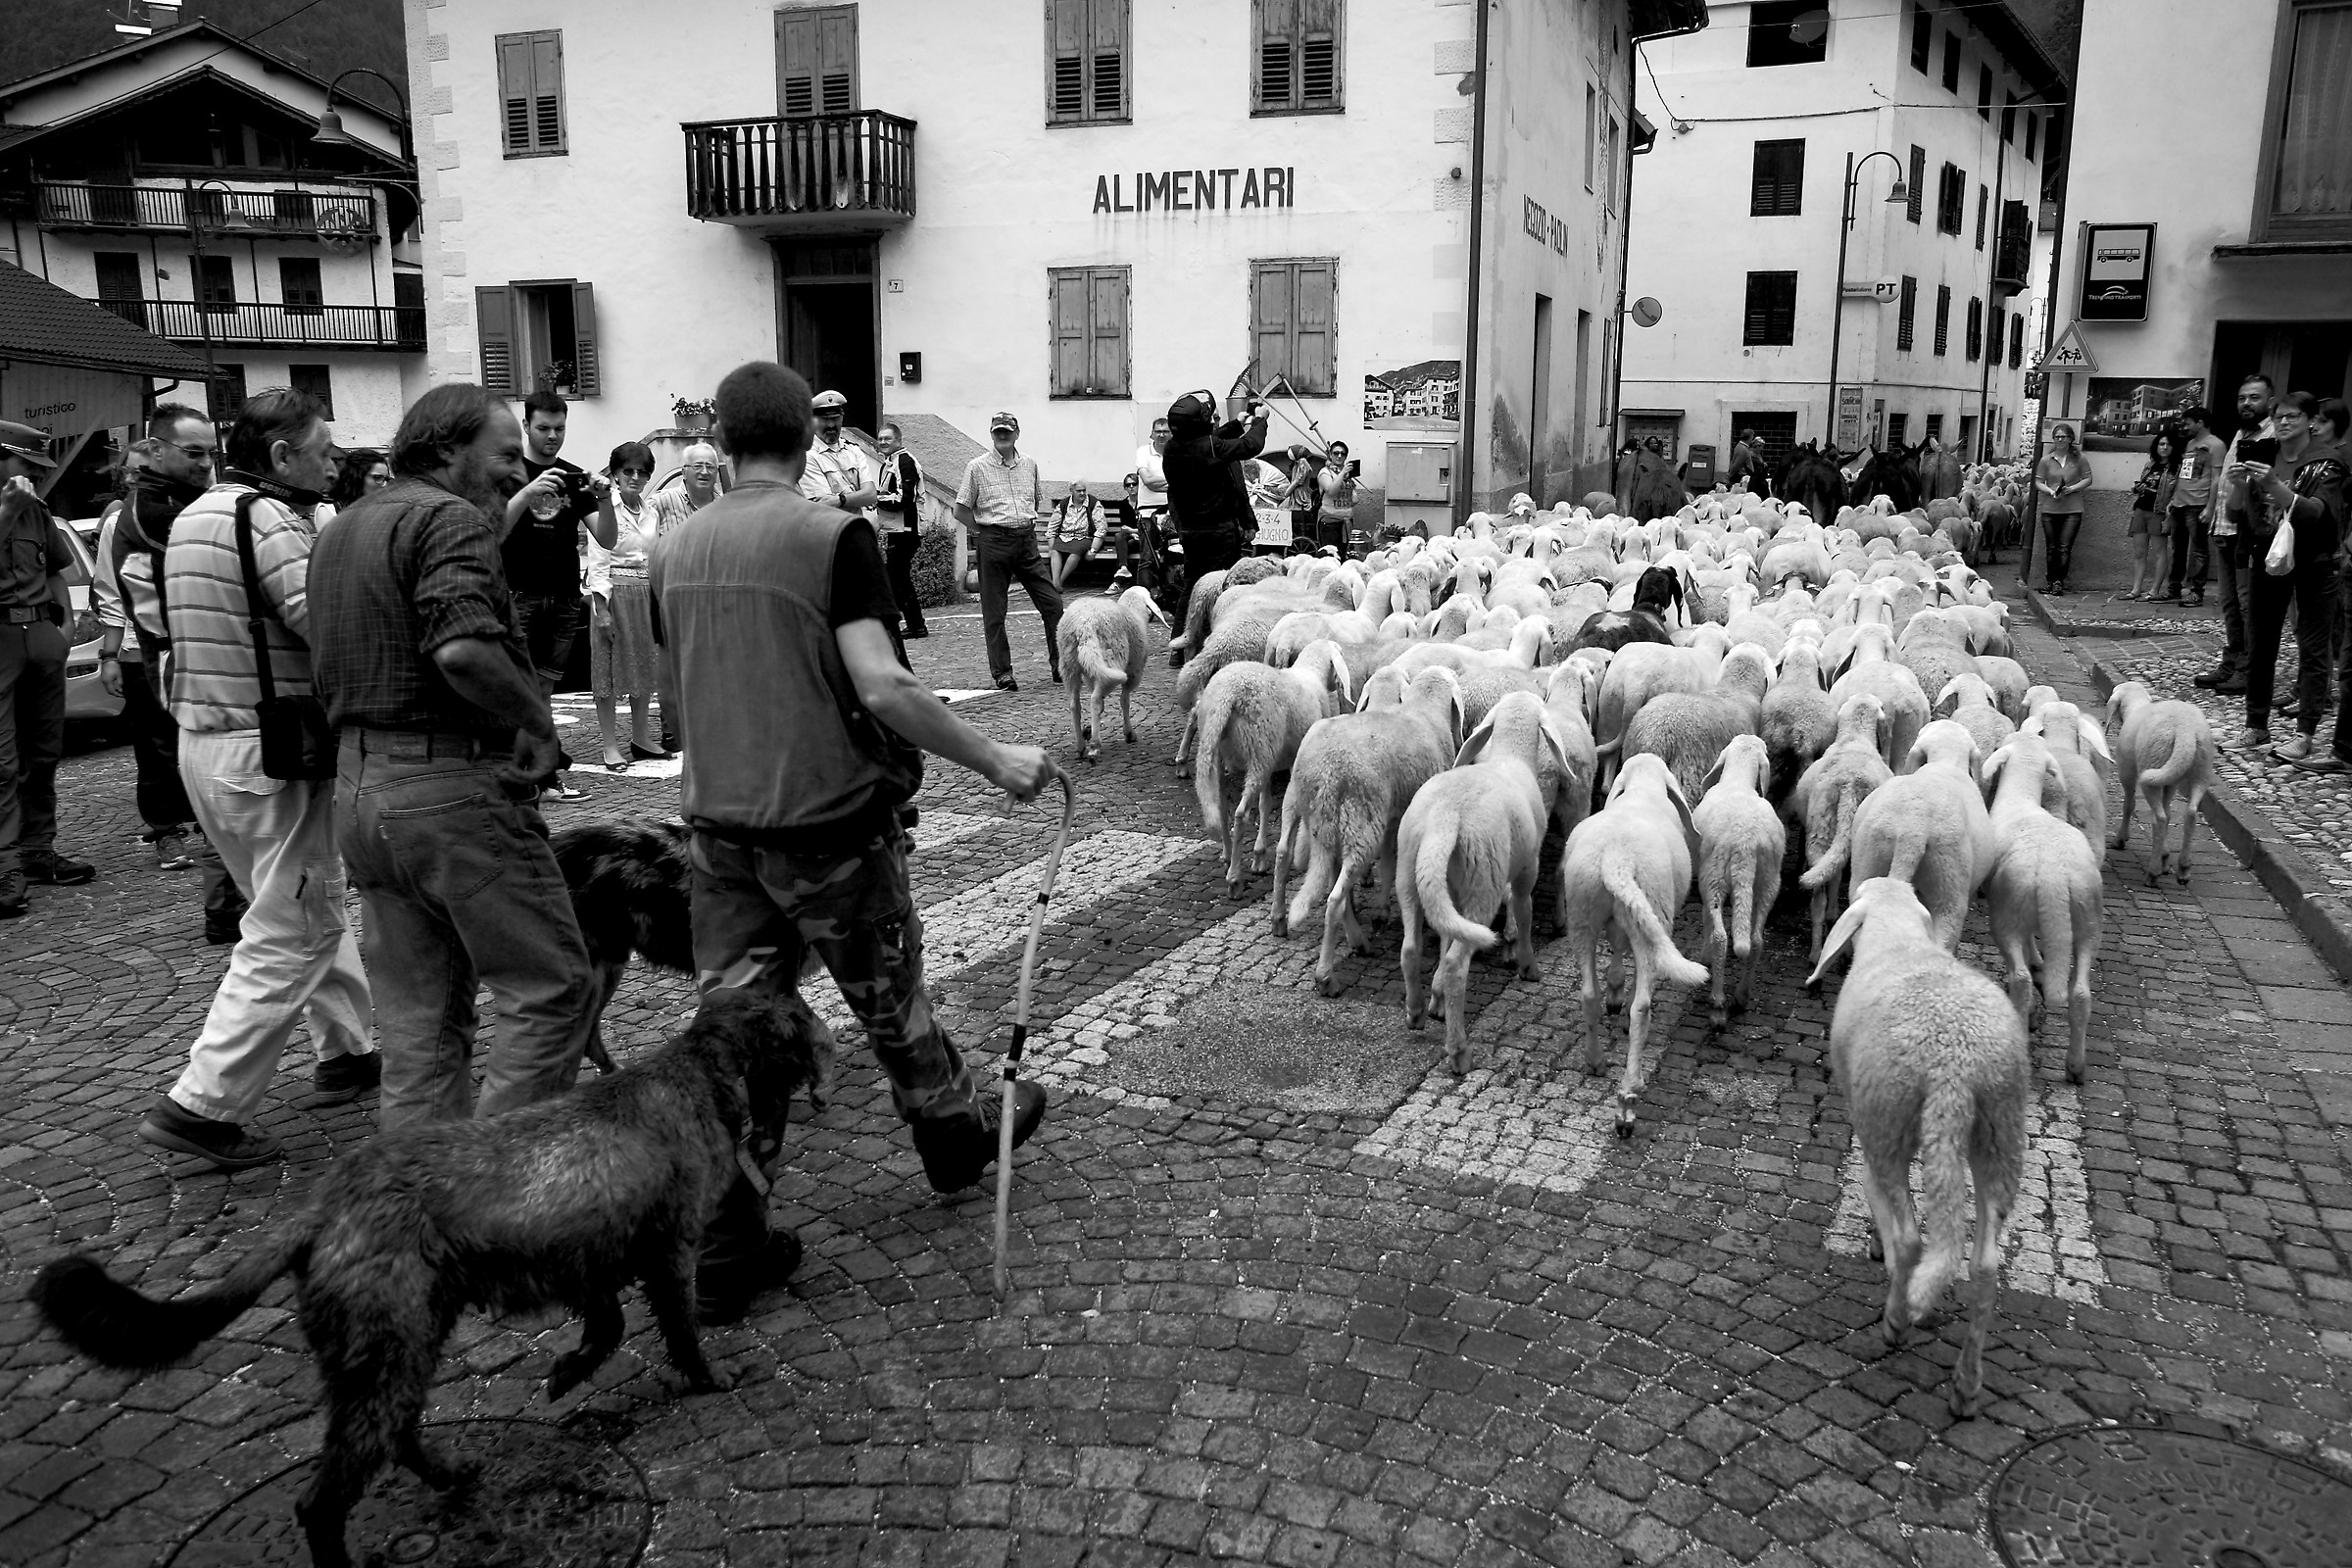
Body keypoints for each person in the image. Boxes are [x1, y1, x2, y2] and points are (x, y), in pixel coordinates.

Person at [650, 361, 1057, 1320]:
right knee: (888, 993)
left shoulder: (676, 548)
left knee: (739, 1033)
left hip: (717, 833)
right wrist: (994, 758)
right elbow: (881, 685)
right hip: (827, 827)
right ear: (808, 437)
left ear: (723, 433)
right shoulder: (832, 537)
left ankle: (722, 1247)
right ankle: (952, 1132)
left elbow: (680, 701)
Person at [310, 384, 600, 1128]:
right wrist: (538, 721)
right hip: (448, 790)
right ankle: (493, 1192)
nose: (516, 470)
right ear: (446, 449)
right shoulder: (449, 518)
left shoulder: (342, 529)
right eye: (504, 454)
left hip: (360, 791)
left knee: (418, 1023)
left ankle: (420, 1203)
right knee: (553, 989)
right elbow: (464, 646)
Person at [137, 387, 379, 1170]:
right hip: (267, 751)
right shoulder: (268, 519)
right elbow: (327, 627)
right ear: (280, 456)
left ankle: (348, 1049)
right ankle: (201, 1106)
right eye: (323, 449)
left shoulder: (197, 516)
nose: (335, 460)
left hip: (206, 743)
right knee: (293, 925)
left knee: (297, 901)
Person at [92, 426, 247, 942]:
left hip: (195, 654)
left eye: (211, 453)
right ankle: (221, 901)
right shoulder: (147, 512)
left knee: (213, 772)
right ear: (155, 455)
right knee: (189, 764)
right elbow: (117, 588)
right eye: (193, 453)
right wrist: (111, 652)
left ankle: (230, 900)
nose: (205, 463)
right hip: (174, 657)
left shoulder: (189, 502)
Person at [503, 388, 618, 804]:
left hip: (565, 597)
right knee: (520, 691)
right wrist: (528, 494)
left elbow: (606, 537)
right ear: (526, 426)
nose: (552, 436)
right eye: (544, 428)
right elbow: (492, 527)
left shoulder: (572, 474)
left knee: (544, 693)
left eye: (559, 428)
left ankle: (545, 777)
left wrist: (605, 498)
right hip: (519, 595)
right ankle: (524, 778)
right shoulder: (508, 473)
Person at [0, 418, 95, 919]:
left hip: (39, 634)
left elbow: (56, 572)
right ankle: (4, 865)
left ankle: (37, 850)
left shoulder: (37, 512)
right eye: (24, 464)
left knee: (43, 750)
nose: (32, 477)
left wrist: (60, 633)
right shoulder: (12, 508)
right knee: (1, 761)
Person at [2232, 393, 2347, 759]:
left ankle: (2306, 733)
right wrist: (2238, 486)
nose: (2282, 423)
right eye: (2278, 416)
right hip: (2268, 558)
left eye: (2291, 416)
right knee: (2261, 642)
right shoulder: (2263, 454)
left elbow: (2318, 515)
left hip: (2316, 561)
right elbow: (2239, 515)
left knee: (2313, 647)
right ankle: (2256, 725)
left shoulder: (2327, 462)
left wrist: (2275, 487)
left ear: (2310, 420)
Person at [955, 412, 1062, 692]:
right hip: (994, 541)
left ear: (1017, 433)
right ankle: (1002, 673)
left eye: (1007, 431)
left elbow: (1034, 501)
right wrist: (984, 531)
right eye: (997, 431)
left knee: (1053, 604)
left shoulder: (1030, 464)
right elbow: (960, 509)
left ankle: (1061, 665)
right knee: (994, 612)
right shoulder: (976, 467)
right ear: (991, 434)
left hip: (1025, 541)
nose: (1002, 435)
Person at [585, 441, 666, 768]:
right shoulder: (604, 509)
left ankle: (641, 736)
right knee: (609, 669)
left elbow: (654, 556)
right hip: (614, 594)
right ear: (616, 474)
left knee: (644, 665)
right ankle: (609, 745)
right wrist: (601, 608)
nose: (635, 477)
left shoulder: (651, 512)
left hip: (645, 594)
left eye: (642, 473)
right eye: (628, 471)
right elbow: (599, 559)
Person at [2197, 375, 2281, 694]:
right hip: (2225, 527)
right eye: (2242, 397)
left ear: (2270, 402)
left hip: (2248, 534)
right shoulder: (2241, 433)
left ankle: (2249, 669)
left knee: (2248, 605)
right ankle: (2231, 662)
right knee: (2230, 603)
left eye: (2254, 398)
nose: (2247, 404)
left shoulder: (2272, 435)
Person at [1161, 390, 1271, 594]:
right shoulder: (1209, 447)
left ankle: (1185, 626)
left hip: (1190, 531)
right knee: (1221, 587)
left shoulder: (1172, 447)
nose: (1212, 421)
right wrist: (1260, 421)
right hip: (1217, 533)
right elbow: (1250, 445)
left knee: (1192, 587)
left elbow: (1209, 440)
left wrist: (1237, 424)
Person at [2161, 406, 2228, 608]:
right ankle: (2174, 588)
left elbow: (2217, 478)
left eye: (2188, 423)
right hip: (2180, 503)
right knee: (2178, 549)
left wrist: (2210, 507)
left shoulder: (2216, 445)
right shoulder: (2190, 443)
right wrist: (2174, 498)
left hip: (2198, 504)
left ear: (2200, 422)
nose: (2185, 426)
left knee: (2199, 550)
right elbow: (2185, 474)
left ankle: (2197, 591)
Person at [873, 421, 928, 639]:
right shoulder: (890, 462)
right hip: (896, 528)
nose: (883, 442)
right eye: (881, 438)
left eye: (888, 438)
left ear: (899, 440)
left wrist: (875, 498)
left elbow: (904, 499)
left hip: (907, 529)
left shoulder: (904, 461)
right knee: (898, 577)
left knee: (896, 577)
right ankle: (913, 624)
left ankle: (913, 625)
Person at [799, 389, 881, 526]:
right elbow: (823, 505)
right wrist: (857, 497)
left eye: (835, 418)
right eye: (825, 420)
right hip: (825, 532)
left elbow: (871, 495)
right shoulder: (808, 455)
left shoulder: (853, 450)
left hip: (855, 530)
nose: (831, 425)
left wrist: (840, 499)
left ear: (842, 418)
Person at [2034, 423, 2093, 595]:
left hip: (2072, 509)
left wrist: (2072, 489)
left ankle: (2059, 581)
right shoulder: (2046, 460)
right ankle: (2050, 580)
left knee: (2064, 547)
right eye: (2057, 437)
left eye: (2063, 437)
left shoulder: (2079, 459)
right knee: (2051, 547)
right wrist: (2050, 491)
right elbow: (2038, 482)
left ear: (2070, 439)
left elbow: (2088, 479)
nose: (2060, 440)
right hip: (2050, 508)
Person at [2125, 431, 2179, 601]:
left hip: (2159, 512)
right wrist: (2137, 488)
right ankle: (2136, 589)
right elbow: (2143, 484)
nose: (2164, 447)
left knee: (2159, 552)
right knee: (2139, 553)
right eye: (2161, 444)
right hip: (2141, 508)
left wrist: (2170, 510)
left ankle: (2154, 591)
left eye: (2168, 444)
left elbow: (2177, 492)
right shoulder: (2151, 464)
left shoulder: (2176, 467)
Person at [1049, 481, 1101, 589]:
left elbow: (1101, 528)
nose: (1082, 493)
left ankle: (1059, 582)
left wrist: (1094, 549)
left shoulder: (1093, 503)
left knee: (1075, 552)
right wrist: (1051, 546)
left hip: (1084, 537)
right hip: (1064, 536)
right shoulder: (1064, 504)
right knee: (1055, 550)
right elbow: (1052, 526)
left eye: (1084, 490)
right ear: (1071, 491)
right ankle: (1055, 581)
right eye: (1078, 491)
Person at [1316, 441, 1358, 555]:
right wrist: (1343, 473)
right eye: (1336, 453)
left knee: (1343, 555)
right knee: (1330, 556)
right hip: (1330, 522)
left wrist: (1350, 481)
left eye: (1343, 454)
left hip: (1346, 522)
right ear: (1330, 455)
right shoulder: (1325, 472)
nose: (1339, 456)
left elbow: (1354, 500)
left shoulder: (1346, 475)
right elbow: (1331, 490)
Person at [1283, 444, 1321, 552]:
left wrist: (1287, 491)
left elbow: (1297, 481)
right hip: (1298, 491)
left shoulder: (1303, 465)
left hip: (1300, 493)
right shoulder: (1298, 464)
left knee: (1297, 508)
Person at [327, 448, 391, 511]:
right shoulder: (330, 509)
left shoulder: (384, 510)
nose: (384, 485)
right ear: (358, 478)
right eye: (378, 478)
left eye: (387, 479)